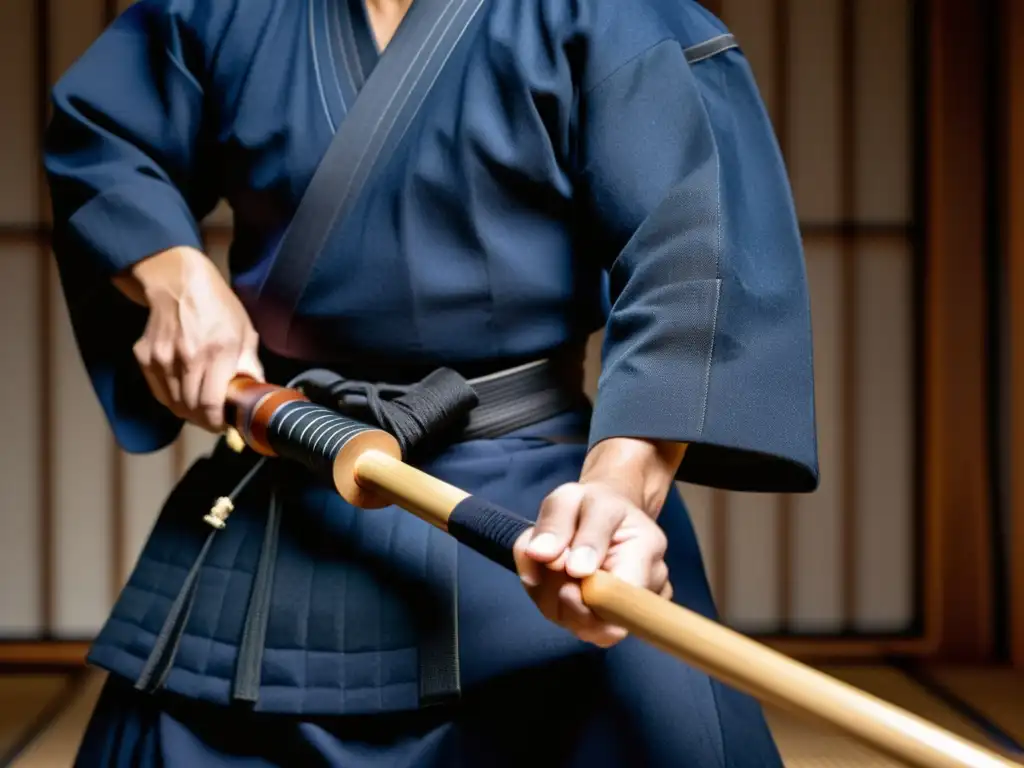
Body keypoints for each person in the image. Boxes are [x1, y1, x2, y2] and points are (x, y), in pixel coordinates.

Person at [44, 0, 819, 764]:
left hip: (534, 508)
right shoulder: (219, 9)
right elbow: (100, 139)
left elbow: (693, 255)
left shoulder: (614, 15)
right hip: (291, 465)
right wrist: (171, 272)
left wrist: (620, 488)